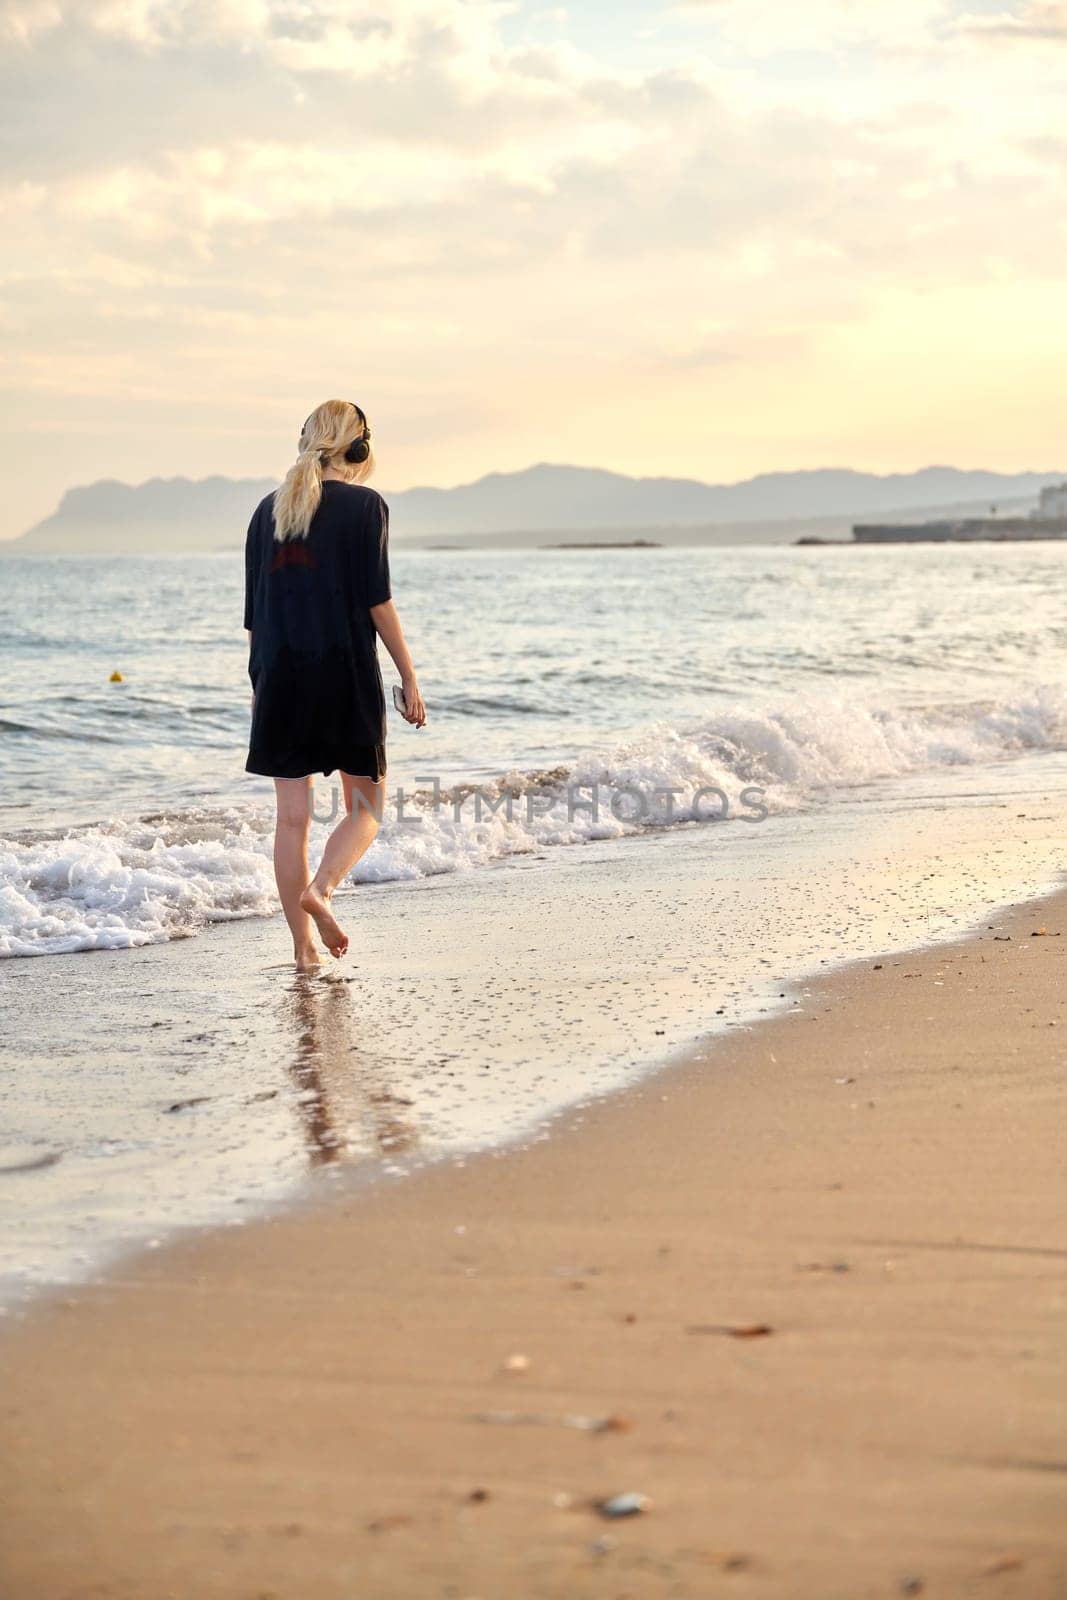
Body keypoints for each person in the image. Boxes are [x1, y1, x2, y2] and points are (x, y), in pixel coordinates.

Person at [243, 398, 426, 970]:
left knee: (290, 820)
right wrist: (409, 677)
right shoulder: (366, 506)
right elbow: (378, 603)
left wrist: (261, 691)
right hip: (343, 672)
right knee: (367, 807)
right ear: (359, 449)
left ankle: (302, 952)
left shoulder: (265, 512)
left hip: (279, 681)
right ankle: (321, 891)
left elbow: (255, 618)